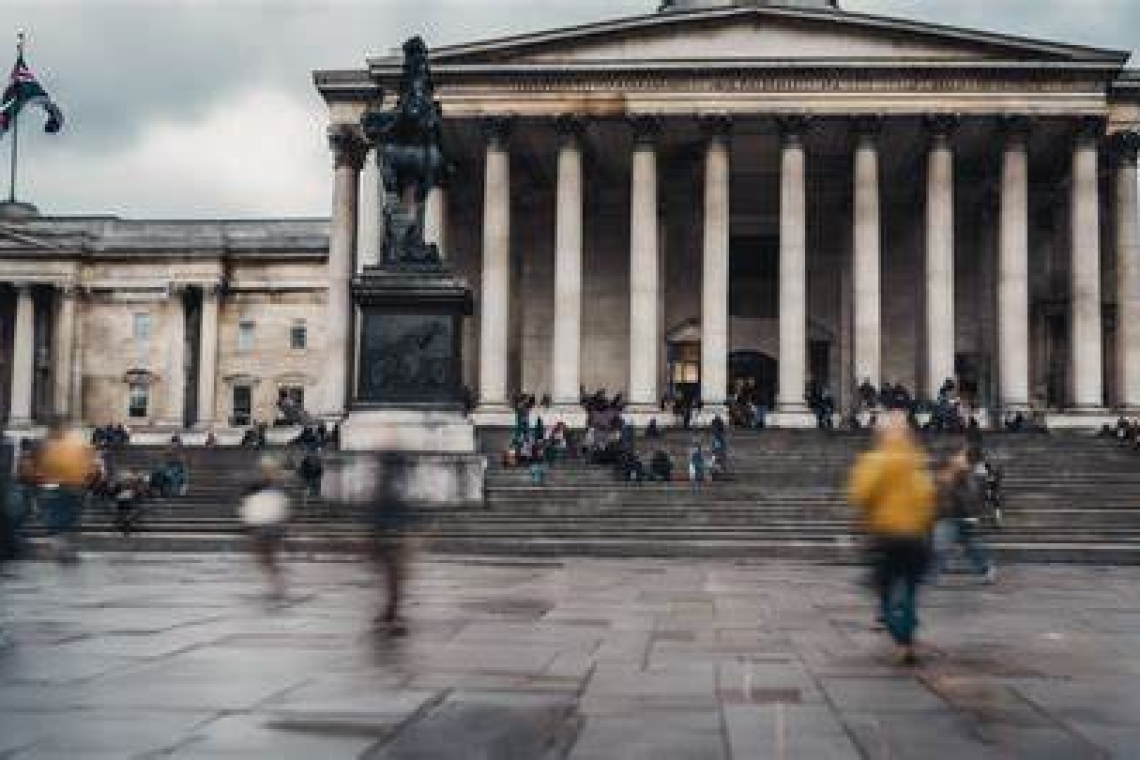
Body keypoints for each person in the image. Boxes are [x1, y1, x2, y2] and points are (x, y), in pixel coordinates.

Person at [848, 412, 937, 665]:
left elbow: (861, 494)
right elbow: (927, 499)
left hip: (886, 535)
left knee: (884, 592)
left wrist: (863, 521)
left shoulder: (875, 460)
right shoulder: (916, 461)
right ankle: (907, 639)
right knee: (909, 591)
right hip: (915, 537)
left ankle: (900, 638)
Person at [35, 422, 97, 564]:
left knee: (61, 521)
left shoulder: (53, 447)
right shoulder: (73, 445)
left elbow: (44, 467)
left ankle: (63, 547)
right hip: (71, 488)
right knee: (67, 520)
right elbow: (87, 467)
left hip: (61, 488)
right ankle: (65, 548)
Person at [933, 448, 997, 584]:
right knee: (968, 545)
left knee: (941, 544)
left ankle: (932, 574)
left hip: (956, 516)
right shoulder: (951, 474)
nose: (957, 459)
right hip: (954, 515)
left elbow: (968, 495)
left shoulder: (961, 474)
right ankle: (986, 568)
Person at [369, 453, 411, 635]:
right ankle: (391, 616)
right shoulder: (393, 483)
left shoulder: (388, 483)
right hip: (391, 537)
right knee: (394, 580)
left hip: (389, 537)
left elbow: (385, 509)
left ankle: (391, 615)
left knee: (393, 580)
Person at [239, 456, 291, 601]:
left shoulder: (270, 485)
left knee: (266, 558)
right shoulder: (262, 484)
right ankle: (277, 584)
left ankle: (278, 584)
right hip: (265, 526)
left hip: (267, 526)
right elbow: (248, 503)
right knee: (266, 559)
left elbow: (279, 506)